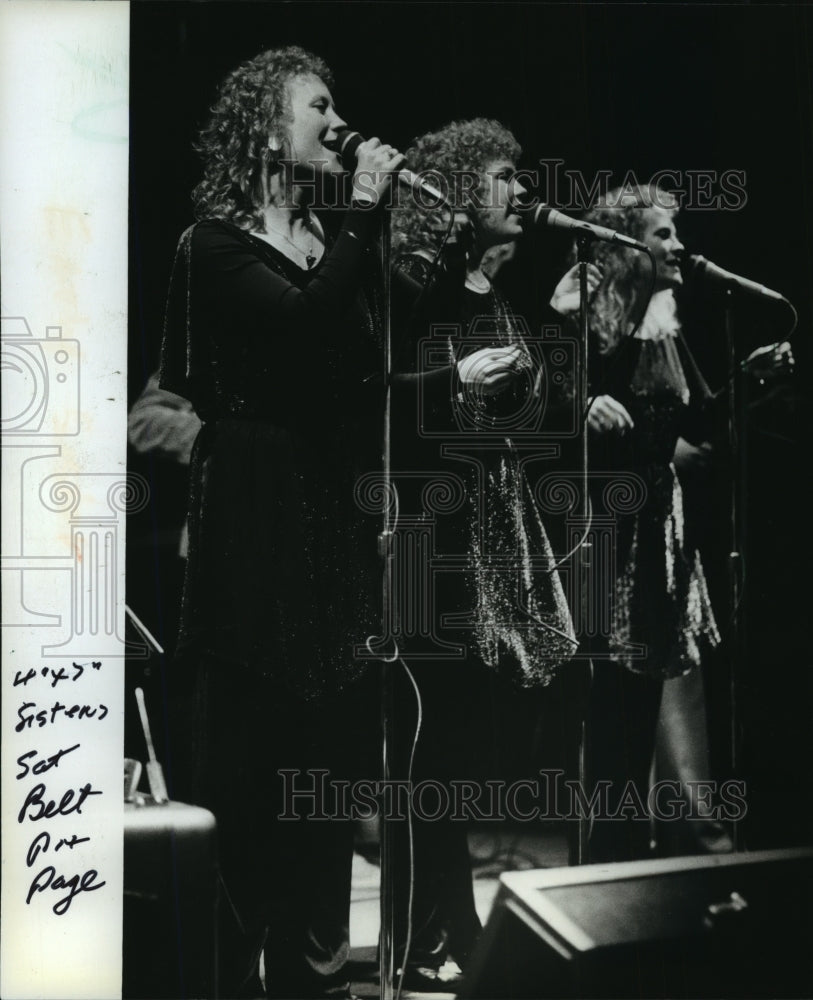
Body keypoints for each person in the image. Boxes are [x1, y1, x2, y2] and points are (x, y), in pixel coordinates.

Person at [159, 46, 403, 999]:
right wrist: (363, 216)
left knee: (327, 779)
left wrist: (444, 379)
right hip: (256, 528)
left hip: (333, 535)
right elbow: (300, 334)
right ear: (267, 127)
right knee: (254, 779)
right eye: (320, 107)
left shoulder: (335, 241)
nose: (338, 124)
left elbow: (357, 379)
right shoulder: (213, 244)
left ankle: (317, 974)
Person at [388, 118, 579, 989]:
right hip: (434, 528)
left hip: (491, 527)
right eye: (503, 177)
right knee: (432, 742)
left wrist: (560, 325)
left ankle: (450, 925)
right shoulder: (420, 284)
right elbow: (400, 410)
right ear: (461, 191)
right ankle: (434, 932)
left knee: (461, 743)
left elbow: (533, 417)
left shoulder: (490, 291)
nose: (520, 192)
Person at [549, 183, 794, 862]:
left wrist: (748, 381)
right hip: (604, 531)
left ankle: (633, 864)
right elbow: (567, 418)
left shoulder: (661, 317)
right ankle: (600, 869)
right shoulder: (586, 317)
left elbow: (693, 427)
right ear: (627, 245)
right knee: (610, 720)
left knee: (640, 708)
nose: (679, 245)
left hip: (659, 536)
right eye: (661, 235)